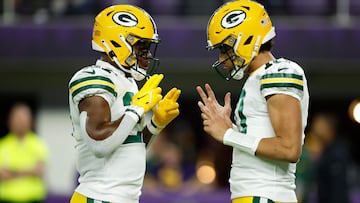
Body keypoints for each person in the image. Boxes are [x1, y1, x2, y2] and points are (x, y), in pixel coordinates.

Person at [196, 0, 309, 202]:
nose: (222, 59)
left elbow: (289, 148)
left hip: (265, 195)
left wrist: (229, 134)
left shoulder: (279, 72)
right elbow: (259, 139)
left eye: (225, 49)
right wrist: (231, 127)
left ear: (246, 40)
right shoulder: (257, 77)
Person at [68, 4, 181, 203]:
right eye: (142, 47)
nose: (147, 55)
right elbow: (100, 144)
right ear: (119, 43)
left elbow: (130, 145)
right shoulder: (94, 78)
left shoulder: (127, 81)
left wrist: (155, 125)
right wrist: (136, 109)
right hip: (99, 197)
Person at [0, 103, 48, 203]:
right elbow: (2, 174)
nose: (20, 122)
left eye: (24, 118)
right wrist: (28, 170)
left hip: (33, 198)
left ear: (30, 121)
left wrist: (13, 171)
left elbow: (39, 170)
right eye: (17, 118)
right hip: (7, 198)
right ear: (10, 121)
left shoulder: (38, 143)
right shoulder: (3, 145)